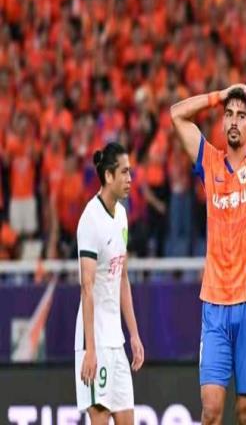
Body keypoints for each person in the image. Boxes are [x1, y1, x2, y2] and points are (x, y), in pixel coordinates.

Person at [171, 84, 246, 424]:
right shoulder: (209, 162)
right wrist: (218, 96)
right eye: (229, 115)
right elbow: (177, 114)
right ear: (222, 123)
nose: (234, 121)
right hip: (215, 303)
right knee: (210, 410)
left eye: (240, 116)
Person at [74, 142, 144, 424]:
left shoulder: (122, 216)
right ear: (108, 176)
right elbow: (87, 286)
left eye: (130, 172)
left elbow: (122, 277)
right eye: (124, 172)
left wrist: (134, 335)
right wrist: (90, 349)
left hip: (116, 340)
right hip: (95, 340)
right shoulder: (90, 220)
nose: (130, 179)